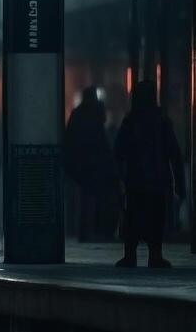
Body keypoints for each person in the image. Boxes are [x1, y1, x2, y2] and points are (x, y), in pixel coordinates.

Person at [113, 79, 187, 268]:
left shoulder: (130, 122)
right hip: (158, 182)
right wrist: (179, 183)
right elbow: (174, 154)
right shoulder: (162, 122)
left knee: (133, 218)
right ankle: (155, 255)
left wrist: (119, 177)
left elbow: (118, 151)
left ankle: (130, 255)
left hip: (136, 181)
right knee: (156, 219)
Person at [63, 87, 120, 242]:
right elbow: (100, 139)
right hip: (93, 164)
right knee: (94, 198)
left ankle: (83, 231)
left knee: (83, 199)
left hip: (81, 164)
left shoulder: (78, 114)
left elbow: (70, 139)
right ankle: (95, 230)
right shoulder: (94, 115)